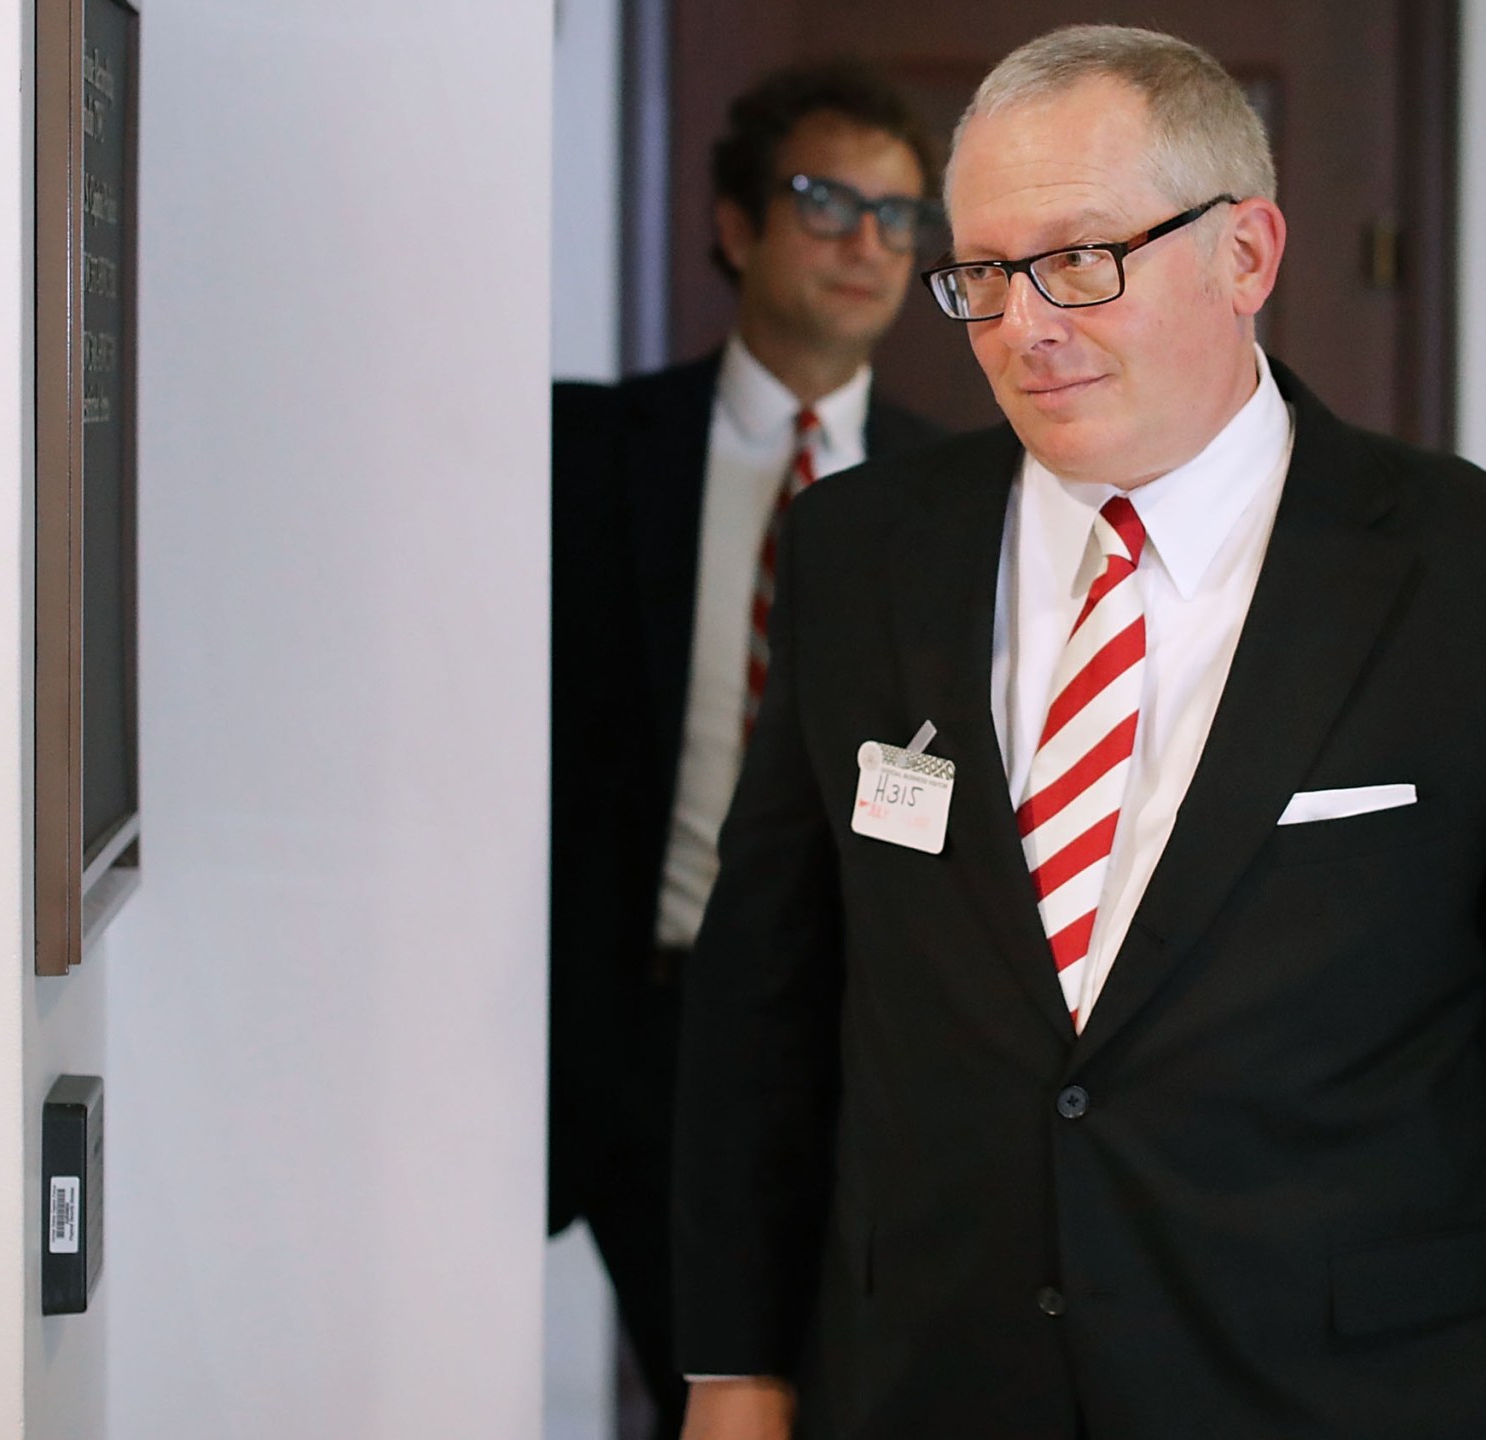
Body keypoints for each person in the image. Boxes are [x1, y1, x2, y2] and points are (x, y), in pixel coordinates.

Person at [673, 25, 1486, 1440]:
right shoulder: (861, 550)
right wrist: (733, 1368)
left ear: (1249, 255)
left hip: (1330, 1393)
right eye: (979, 277)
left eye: (1083, 260)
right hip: (927, 1384)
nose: (1024, 323)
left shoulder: (1481, 579)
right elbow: (765, 997)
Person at [549, 60, 948, 1439]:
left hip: (867, 1038)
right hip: (627, 1037)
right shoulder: (581, 456)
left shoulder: (956, 498)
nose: (866, 244)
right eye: (828, 200)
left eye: (902, 219)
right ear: (733, 226)